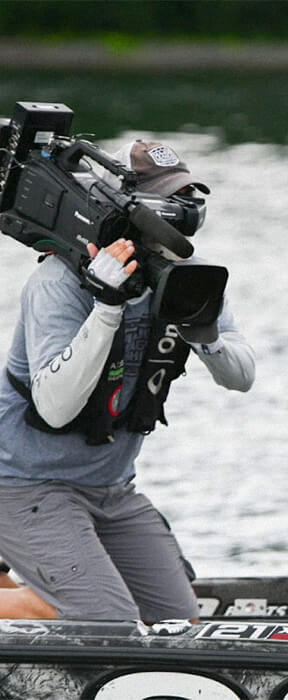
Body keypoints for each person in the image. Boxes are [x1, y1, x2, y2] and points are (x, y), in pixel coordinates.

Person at [0, 140, 255, 622]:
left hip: (111, 486)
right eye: (165, 201)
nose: (178, 214)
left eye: (184, 199)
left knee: (179, 626)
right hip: (25, 483)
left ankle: (46, 587)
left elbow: (241, 376)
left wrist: (202, 333)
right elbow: (54, 407)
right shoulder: (58, 282)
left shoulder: (184, 280)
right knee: (109, 626)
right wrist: (107, 306)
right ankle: (43, 596)